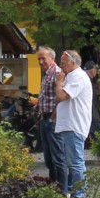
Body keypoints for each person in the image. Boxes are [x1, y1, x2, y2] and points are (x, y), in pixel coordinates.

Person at [54, 49, 93, 198]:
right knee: (72, 162)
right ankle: (77, 196)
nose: (61, 66)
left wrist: (59, 81)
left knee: (76, 163)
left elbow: (62, 96)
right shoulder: (72, 76)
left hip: (74, 125)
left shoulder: (77, 76)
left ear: (73, 63)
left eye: (63, 63)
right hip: (69, 124)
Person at [34, 47, 62, 183]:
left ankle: (62, 187)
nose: (40, 61)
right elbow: (46, 96)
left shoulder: (57, 73)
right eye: (38, 59)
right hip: (44, 117)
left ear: (52, 58)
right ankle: (53, 185)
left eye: (43, 58)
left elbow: (60, 98)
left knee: (57, 157)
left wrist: (53, 117)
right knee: (48, 157)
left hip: (53, 119)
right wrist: (39, 106)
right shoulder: (46, 73)